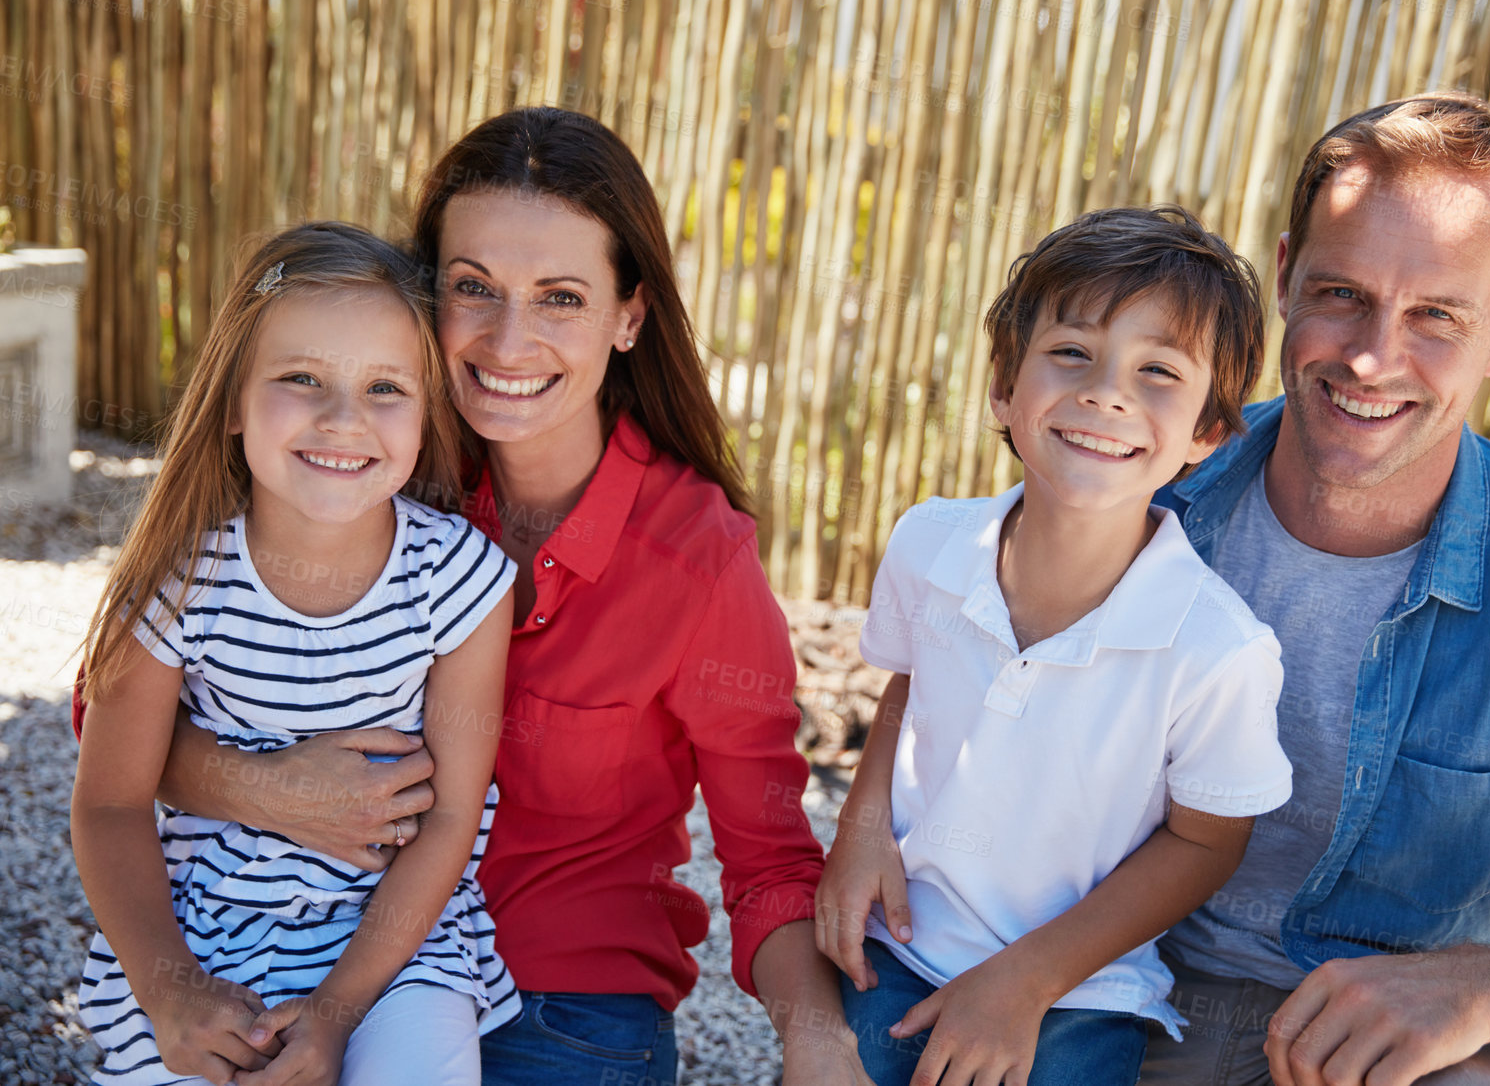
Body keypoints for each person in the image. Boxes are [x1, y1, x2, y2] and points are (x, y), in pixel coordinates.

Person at [112, 109, 870, 1086]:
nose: (510, 339)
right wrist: (266, 786)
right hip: (305, 938)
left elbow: (765, 856)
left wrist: (812, 1033)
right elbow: (116, 718)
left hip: (558, 992)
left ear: (629, 315)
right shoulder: (363, 460)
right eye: (474, 288)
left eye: (560, 296)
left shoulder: (697, 558)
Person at [1127, 94, 1490, 1086]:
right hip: (1116, 988)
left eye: (1435, 315)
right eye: (1341, 295)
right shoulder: (1143, 491)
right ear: (1283, 276)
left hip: (1395, 1048)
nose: (1371, 357)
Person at [817, 206, 1294, 1086]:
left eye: (1158, 372)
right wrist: (861, 827)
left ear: (1206, 435)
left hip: (1080, 995)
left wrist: (1028, 978)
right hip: (906, 940)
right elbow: (909, 685)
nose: (1106, 392)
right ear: (1005, 385)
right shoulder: (929, 544)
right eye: (1071, 353)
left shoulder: (1216, 649)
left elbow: (1206, 842)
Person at [71, 223, 518, 1085]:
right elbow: (110, 806)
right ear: (234, 403)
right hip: (199, 938)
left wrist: (337, 1011)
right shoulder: (177, 582)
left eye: (386, 387)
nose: (343, 419)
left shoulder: (459, 582)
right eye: (302, 378)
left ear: (427, 420)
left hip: (393, 954)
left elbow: (452, 820)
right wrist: (172, 994)